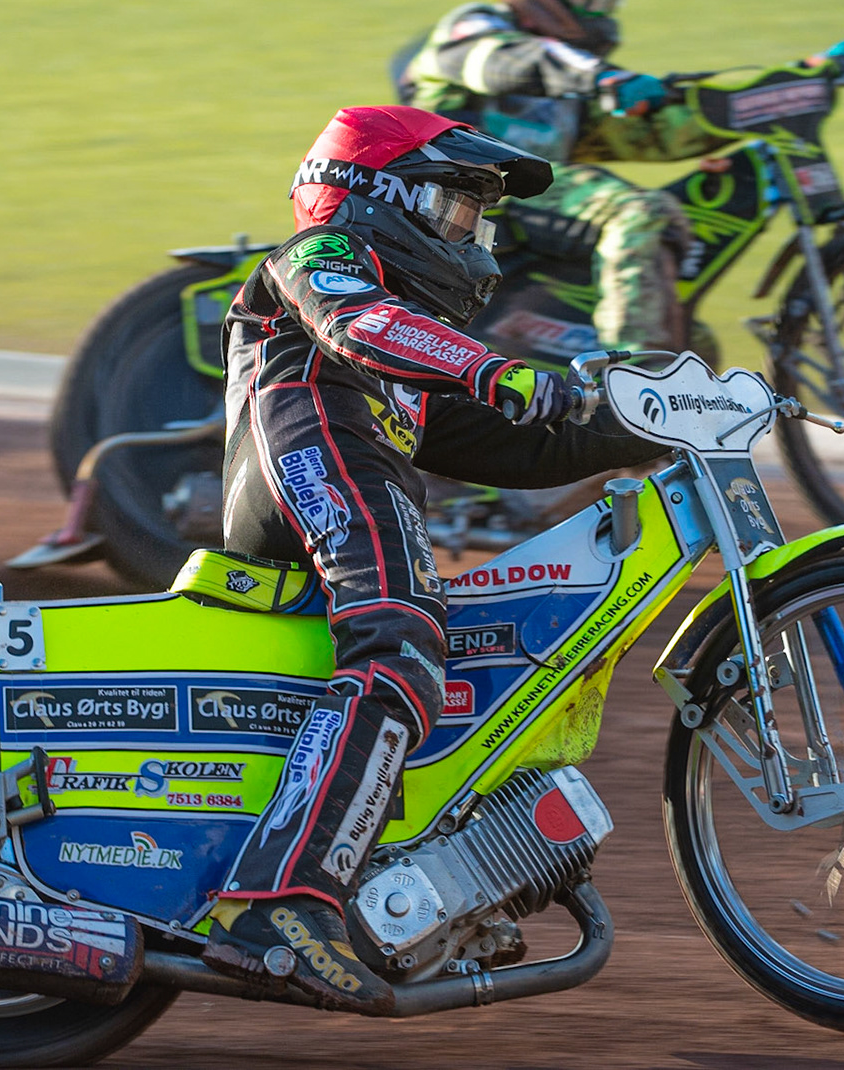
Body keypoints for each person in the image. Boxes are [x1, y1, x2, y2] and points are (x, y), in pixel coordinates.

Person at [200, 105, 671, 1012]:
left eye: (478, 217)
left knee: (437, 653)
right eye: (457, 210)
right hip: (308, 444)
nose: (475, 237)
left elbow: (515, 449)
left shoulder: (407, 365)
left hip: (344, 456)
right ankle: (275, 909)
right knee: (405, 646)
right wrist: (497, 370)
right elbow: (357, 324)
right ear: (378, 195)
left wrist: (630, 426)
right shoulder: (319, 256)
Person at [399, 0, 844, 359]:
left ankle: (632, 375)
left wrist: (790, 85)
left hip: (530, 220)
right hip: (464, 208)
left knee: (695, 346)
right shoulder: (471, 31)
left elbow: (655, 133)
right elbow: (513, 61)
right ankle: (639, 377)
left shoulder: (575, 84)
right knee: (639, 212)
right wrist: (601, 76)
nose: (602, 5)